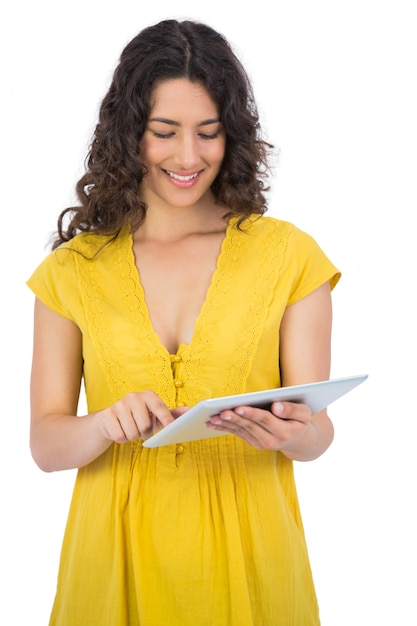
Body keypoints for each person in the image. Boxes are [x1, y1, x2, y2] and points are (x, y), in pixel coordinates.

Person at [27, 19, 341, 626]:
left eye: (209, 133)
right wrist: (100, 425)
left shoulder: (290, 257)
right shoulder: (73, 271)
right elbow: (45, 444)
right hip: (111, 563)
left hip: (254, 562)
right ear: (129, 133)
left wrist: (293, 435)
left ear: (233, 136)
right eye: (164, 133)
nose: (188, 156)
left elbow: (318, 433)